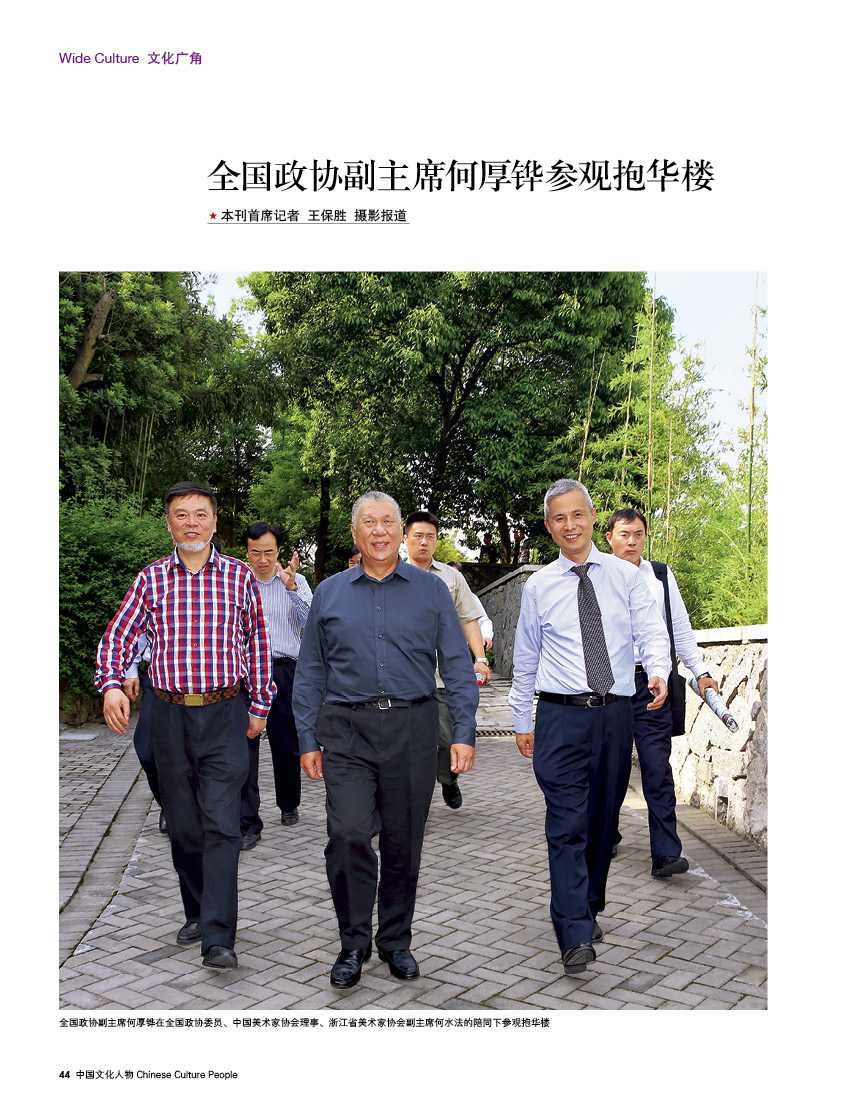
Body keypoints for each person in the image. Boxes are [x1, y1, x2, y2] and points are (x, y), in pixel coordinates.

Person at [293, 491, 479, 989]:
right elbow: (310, 670)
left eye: (388, 522)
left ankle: (395, 941)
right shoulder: (329, 593)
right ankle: (353, 942)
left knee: (403, 841)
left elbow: (457, 663)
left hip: (413, 729)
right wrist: (307, 738)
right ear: (354, 533)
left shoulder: (432, 590)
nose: (379, 531)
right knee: (348, 833)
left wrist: (463, 732)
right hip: (346, 731)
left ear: (400, 531)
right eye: (369, 523)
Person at [96, 482, 275, 971]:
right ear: (169, 522)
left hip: (225, 713)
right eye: (181, 514)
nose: (191, 523)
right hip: (168, 717)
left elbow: (257, 643)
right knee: (184, 826)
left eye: (200, 514)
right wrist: (111, 685)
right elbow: (117, 637)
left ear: (215, 521)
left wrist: (261, 704)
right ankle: (197, 911)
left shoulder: (239, 576)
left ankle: (218, 936)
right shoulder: (151, 579)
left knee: (222, 823)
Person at [509, 478, 670, 975]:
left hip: (614, 715)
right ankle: (573, 931)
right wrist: (521, 717)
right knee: (566, 825)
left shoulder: (626, 577)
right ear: (548, 526)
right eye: (559, 518)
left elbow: (651, 630)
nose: (570, 525)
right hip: (559, 718)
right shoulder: (538, 586)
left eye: (577, 514)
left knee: (602, 821)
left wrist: (658, 670)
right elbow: (526, 658)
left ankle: (588, 905)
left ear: (593, 516)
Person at [605, 507, 718, 877]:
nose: (631, 541)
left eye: (638, 534)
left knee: (656, 766)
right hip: (611, 686)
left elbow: (679, 629)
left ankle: (666, 853)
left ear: (645, 536)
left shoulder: (659, 576)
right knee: (611, 767)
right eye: (624, 534)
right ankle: (605, 835)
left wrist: (701, 672)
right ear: (609, 538)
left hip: (654, 684)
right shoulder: (597, 574)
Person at [404, 510, 490, 809]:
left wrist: (480, 659)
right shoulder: (391, 574)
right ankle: (416, 802)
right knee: (411, 746)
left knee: (447, 738)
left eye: (430, 536)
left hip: (444, 676)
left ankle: (448, 778)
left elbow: (469, 619)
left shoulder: (452, 577)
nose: (423, 542)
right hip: (405, 678)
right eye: (417, 536)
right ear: (405, 538)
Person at [239, 522, 313, 849]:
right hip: (247, 673)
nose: (262, 559)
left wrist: (292, 588)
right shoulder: (238, 583)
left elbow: (313, 623)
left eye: (269, 551)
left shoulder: (296, 582)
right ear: (247, 553)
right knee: (245, 744)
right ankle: (247, 819)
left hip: (285, 670)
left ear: (279, 551)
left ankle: (289, 803)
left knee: (286, 744)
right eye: (255, 552)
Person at [122, 632, 167, 834]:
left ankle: (187, 809)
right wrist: (131, 671)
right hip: (158, 677)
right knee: (146, 749)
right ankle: (169, 803)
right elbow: (131, 632)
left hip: (207, 681)